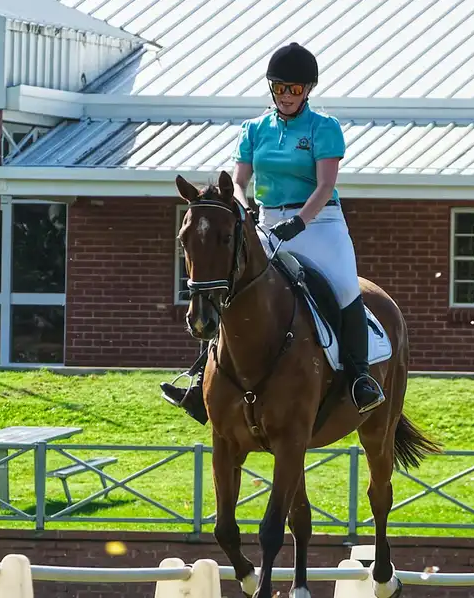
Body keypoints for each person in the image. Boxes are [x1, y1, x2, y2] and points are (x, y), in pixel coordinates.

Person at [160, 42, 385, 424]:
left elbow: (325, 185)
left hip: (319, 222)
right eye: (279, 88)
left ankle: (360, 378)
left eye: (294, 89)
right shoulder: (254, 129)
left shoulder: (323, 128)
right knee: (232, 285)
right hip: (264, 221)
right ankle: (201, 377)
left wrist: (300, 221)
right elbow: (240, 179)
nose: (286, 96)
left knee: (346, 287)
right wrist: (245, 209)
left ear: (308, 90)